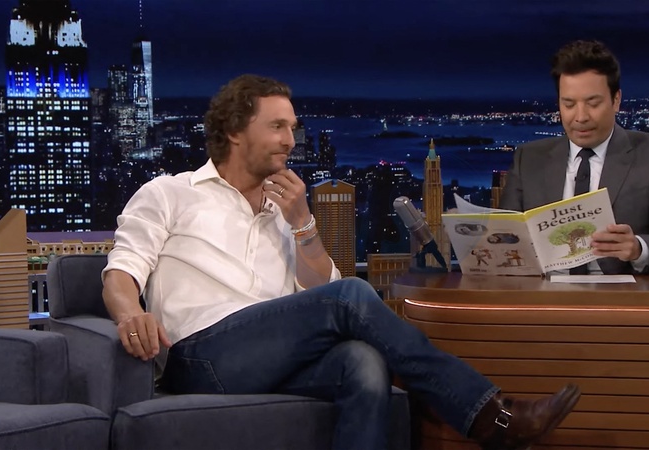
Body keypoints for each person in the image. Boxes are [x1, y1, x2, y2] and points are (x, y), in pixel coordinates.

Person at [101, 74, 580, 450]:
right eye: (277, 127)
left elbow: (317, 295)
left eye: (293, 128)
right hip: (199, 356)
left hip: (272, 356)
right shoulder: (170, 193)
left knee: (363, 362)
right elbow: (121, 270)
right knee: (352, 294)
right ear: (233, 131)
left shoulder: (284, 212)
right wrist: (128, 313)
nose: (291, 140)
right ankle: (489, 416)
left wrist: (302, 224)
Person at [500, 40, 649, 275]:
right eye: (569, 104)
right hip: (544, 292)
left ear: (616, 100)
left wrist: (638, 248)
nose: (581, 117)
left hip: (620, 294)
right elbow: (504, 237)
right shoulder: (529, 158)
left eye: (593, 103)